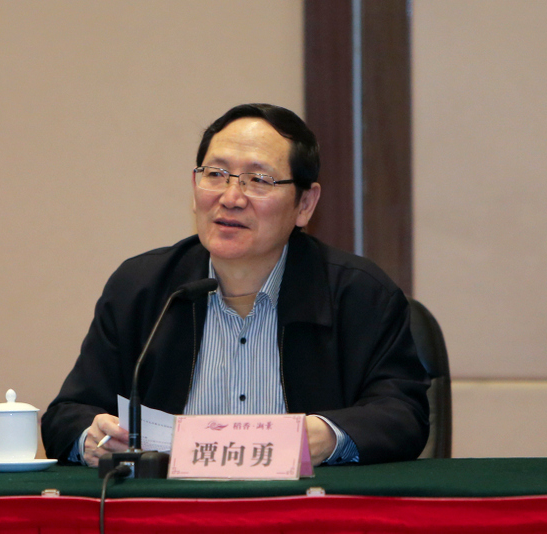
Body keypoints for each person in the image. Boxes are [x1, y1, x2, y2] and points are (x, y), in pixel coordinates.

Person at [41, 103, 430, 467]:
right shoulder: (142, 289)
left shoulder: (359, 294)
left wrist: (327, 436)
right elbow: (68, 414)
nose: (230, 198)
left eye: (258, 180)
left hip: (303, 508)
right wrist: (92, 437)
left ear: (305, 204)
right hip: (174, 507)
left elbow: (403, 414)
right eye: (215, 175)